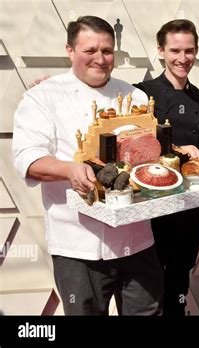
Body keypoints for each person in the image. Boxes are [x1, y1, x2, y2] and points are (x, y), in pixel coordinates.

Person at [12, 16, 163, 315]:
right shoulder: (42, 96)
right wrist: (69, 170)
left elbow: (149, 156)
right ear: (70, 50)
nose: (100, 59)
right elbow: (27, 159)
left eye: (107, 51)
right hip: (77, 245)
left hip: (137, 239)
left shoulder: (136, 96)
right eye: (90, 50)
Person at [134, 19, 199, 316]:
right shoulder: (141, 93)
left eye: (189, 50)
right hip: (151, 210)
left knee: (179, 281)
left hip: (189, 211)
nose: (182, 58)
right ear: (160, 50)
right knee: (148, 288)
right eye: (175, 50)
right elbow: (130, 142)